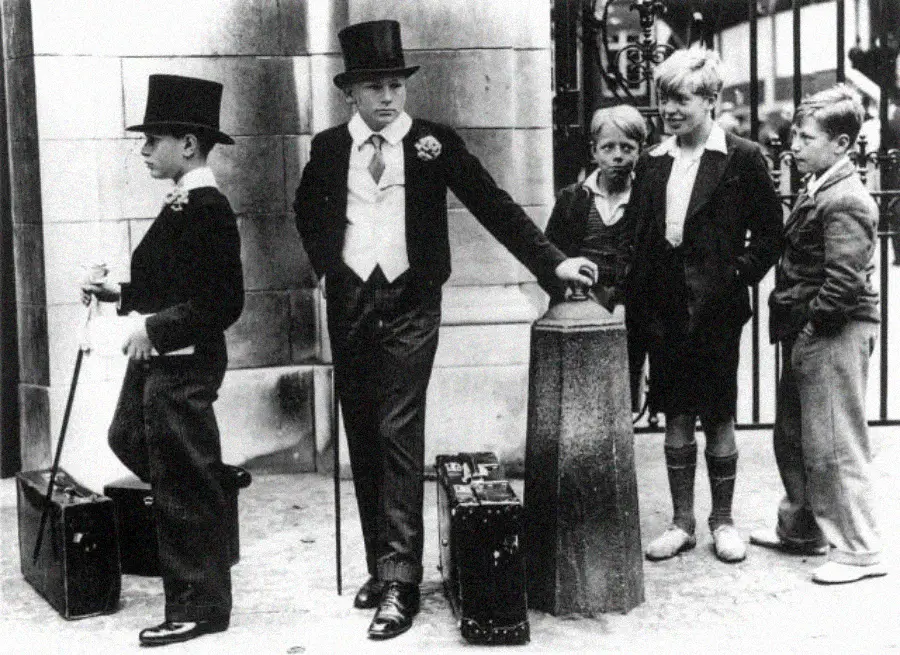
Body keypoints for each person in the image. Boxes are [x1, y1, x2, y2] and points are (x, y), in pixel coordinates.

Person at [293, 20, 597, 641]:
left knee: (398, 428)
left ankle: (401, 581)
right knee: (362, 430)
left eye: (395, 85)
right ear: (350, 92)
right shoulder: (329, 149)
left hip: (411, 302)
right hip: (351, 302)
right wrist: (329, 265)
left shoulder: (434, 142)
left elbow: (493, 204)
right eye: (374, 86)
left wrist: (551, 262)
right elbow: (305, 209)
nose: (387, 97)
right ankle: (384, 562)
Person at [80, 74, 244, 646]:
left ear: (189, 145)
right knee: (127, 437)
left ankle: (200, 607)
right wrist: (119, 297)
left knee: (177, 477)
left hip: (186, 361)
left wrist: (153, 327)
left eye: (153, 139)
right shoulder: (181, 203)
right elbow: (172, 282)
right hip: (161, 358)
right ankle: (212, 482)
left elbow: (223, 303)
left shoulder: (208, 208)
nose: (144, 150)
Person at [625, 47, 782, 563]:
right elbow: (642, 236)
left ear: (711, 100)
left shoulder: (742, 157)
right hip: (665, 309)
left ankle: (723, 521)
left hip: (716, 310)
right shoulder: (652, 162)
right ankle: (681, 522)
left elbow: (769, 237)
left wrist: (733, 276)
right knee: (675, 414)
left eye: (682, 99)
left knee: (718, 416)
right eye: (664, 98)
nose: (669, 109)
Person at [752, 84, 886, 585]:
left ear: (842, 144)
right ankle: (803, 530)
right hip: (814, 328)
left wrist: (812, 329)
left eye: (807, 137)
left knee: (834, 440)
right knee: (796, 435)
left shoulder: (844, 198)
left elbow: (845, 281)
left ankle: (859, 549)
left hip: (833, 330)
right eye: (795, 135)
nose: (794, 145)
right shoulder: (822, 186)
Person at [544, 103, 648, 408]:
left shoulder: (646, 198)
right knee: (578, 393)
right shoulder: (573, 199)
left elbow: (650, 260)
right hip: (578, 309)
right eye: (608, 147)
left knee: (622, 397)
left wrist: (625, 302)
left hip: (628, 313)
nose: (617, 156)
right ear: (594, 152)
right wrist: (567, 294)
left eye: (627, 148)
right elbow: (550, 256)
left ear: (639, 151)